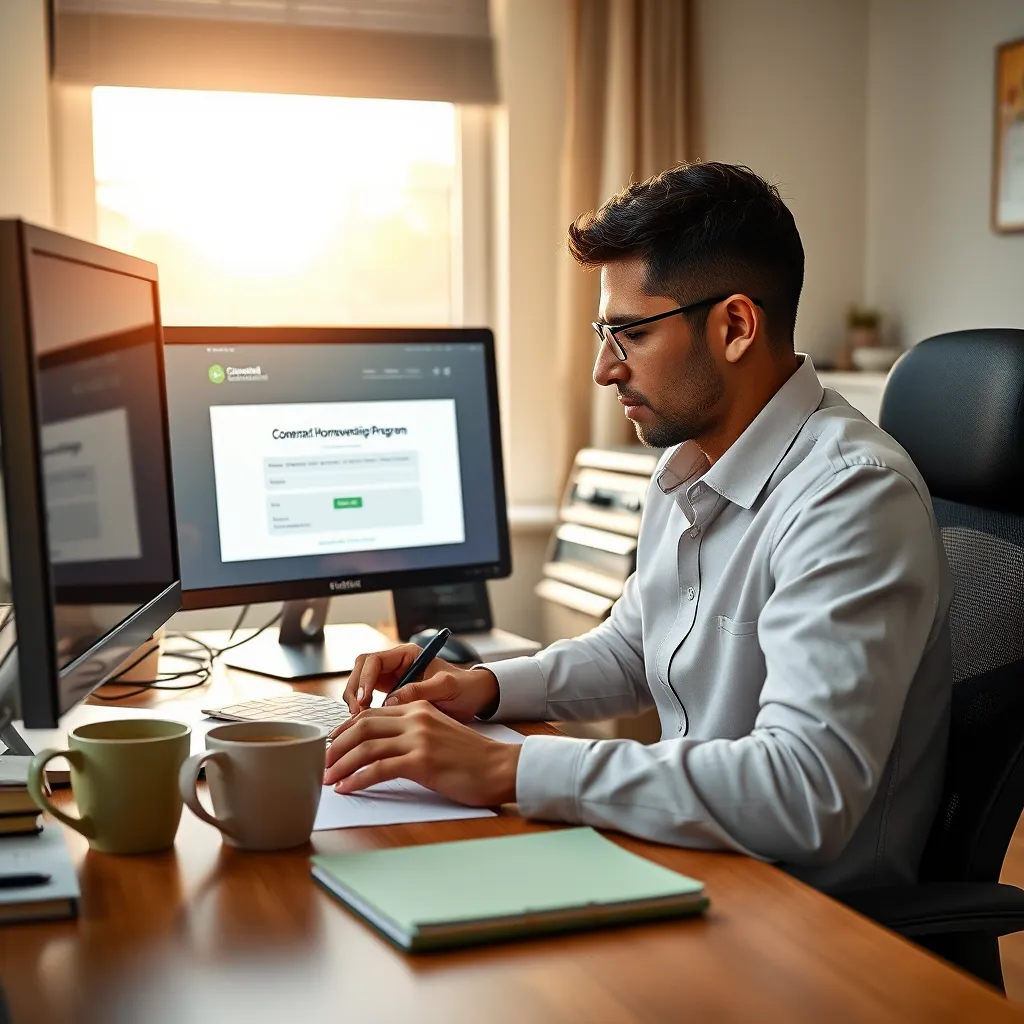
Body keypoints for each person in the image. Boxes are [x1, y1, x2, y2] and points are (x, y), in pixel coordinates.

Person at [324, 161, 952, 892]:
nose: (603, 369)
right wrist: (483, 688)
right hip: (692, 858)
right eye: (604, 333)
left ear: (736, 327)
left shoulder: (850, 497)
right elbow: (636, 647)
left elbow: (805, 788)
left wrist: (507, 765)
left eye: (629, 334)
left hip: (804, 919)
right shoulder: (689, 462)